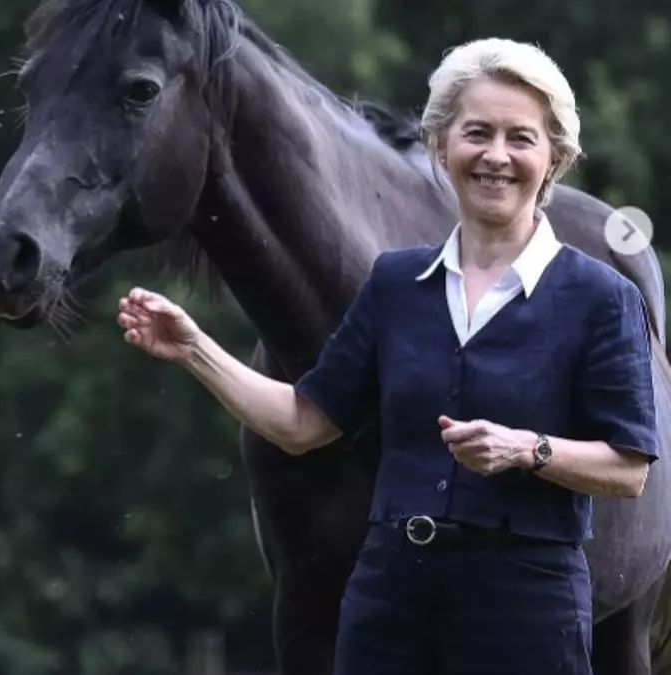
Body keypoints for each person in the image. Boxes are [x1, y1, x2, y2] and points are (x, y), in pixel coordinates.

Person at [116, 37, 658, 675]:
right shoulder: (396, 284)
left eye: (522, 138)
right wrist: (193, 348)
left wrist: (527, 450)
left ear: (555, 158)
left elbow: (628, 470)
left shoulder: (601, 295)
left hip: (528, 603)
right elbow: (302, 423)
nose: (496, 156)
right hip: (391, 598)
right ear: (441, 146)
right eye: (476, 133)